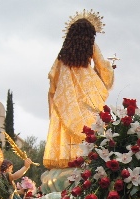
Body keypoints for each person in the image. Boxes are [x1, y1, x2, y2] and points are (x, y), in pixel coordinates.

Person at [43, 14, 115, 169]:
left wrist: (56, 92)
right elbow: (102, 66)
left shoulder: (65, 50)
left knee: (66, 120)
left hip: (66, 90)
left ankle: (69, 158)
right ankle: (87, 158)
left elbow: (54, 75)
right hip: (87, 90)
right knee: (89, 123)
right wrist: (109, 70)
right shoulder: (91, 46)